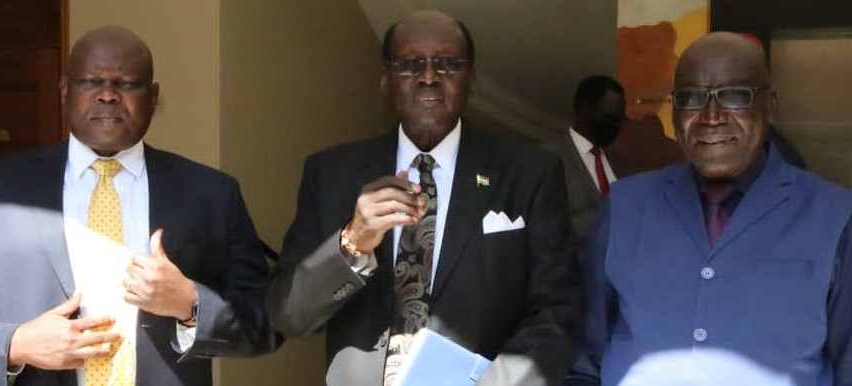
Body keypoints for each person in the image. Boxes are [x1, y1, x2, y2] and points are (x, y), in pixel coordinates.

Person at [268, 10, 579, 386]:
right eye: (410, 64)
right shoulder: (332, 173)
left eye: (448, 64)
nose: (429, 77)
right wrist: (352, 242)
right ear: (386, 80)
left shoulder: (530, 173)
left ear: (472, 80)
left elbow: (557, 313)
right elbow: (287, 315)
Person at [0, 26, 276, 386]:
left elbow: (267, 322)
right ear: (65, 92)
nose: (107, 96)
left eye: (127, 83)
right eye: (90, 82)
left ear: (153, 96)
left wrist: (191, 305)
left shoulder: (211, 194)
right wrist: (15, 345)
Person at [565, 32, 852, 386]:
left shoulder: (836, 218)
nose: (711, 117)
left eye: (734, 96)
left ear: (771, 103)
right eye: (691, 98)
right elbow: (584, 364)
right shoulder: (624, 207)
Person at [542, 75, 627, 256]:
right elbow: (546, 224)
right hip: (574, 275)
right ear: (584, 109)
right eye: (609, 118)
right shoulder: (548, 158)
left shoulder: (618, 162)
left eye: (620, 120)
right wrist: (613, 220)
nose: (615, 126)